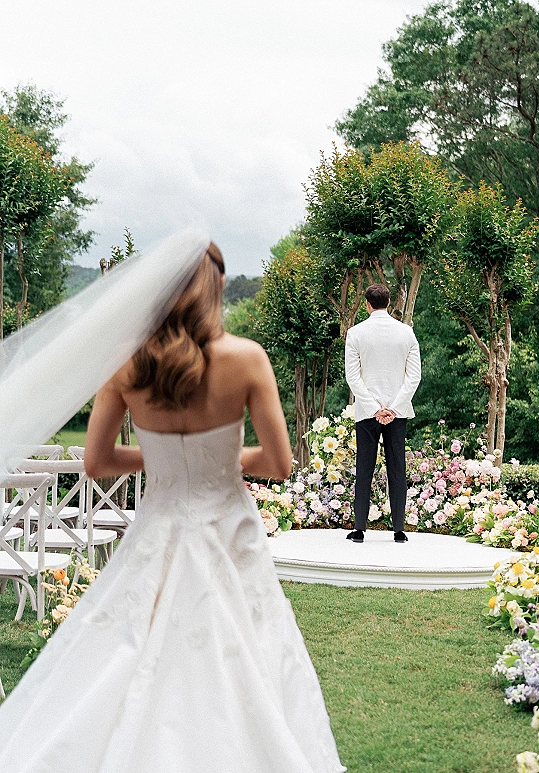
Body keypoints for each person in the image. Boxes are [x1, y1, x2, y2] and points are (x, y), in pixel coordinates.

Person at [0, 239, 346, 773]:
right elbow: (280, 464)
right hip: (229, 531)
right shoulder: (246, 359)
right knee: (249, 654)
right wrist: (222, 457)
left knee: (132, 652)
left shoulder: (126, 364)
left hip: (158, 529)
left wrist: (163, 459)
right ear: (218, 285)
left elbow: (96, 462)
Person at [344, 284, 421, 544]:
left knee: (364, 468)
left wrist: (375, 407)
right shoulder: (407, 333)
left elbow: (353, 378)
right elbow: (414, 377)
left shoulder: (355, 334)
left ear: (367, 304)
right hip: (397, 412)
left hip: (367, 412)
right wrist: (394, 407)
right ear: (389, 303)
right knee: (397, 467)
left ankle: (359, 529)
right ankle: (399, 529)